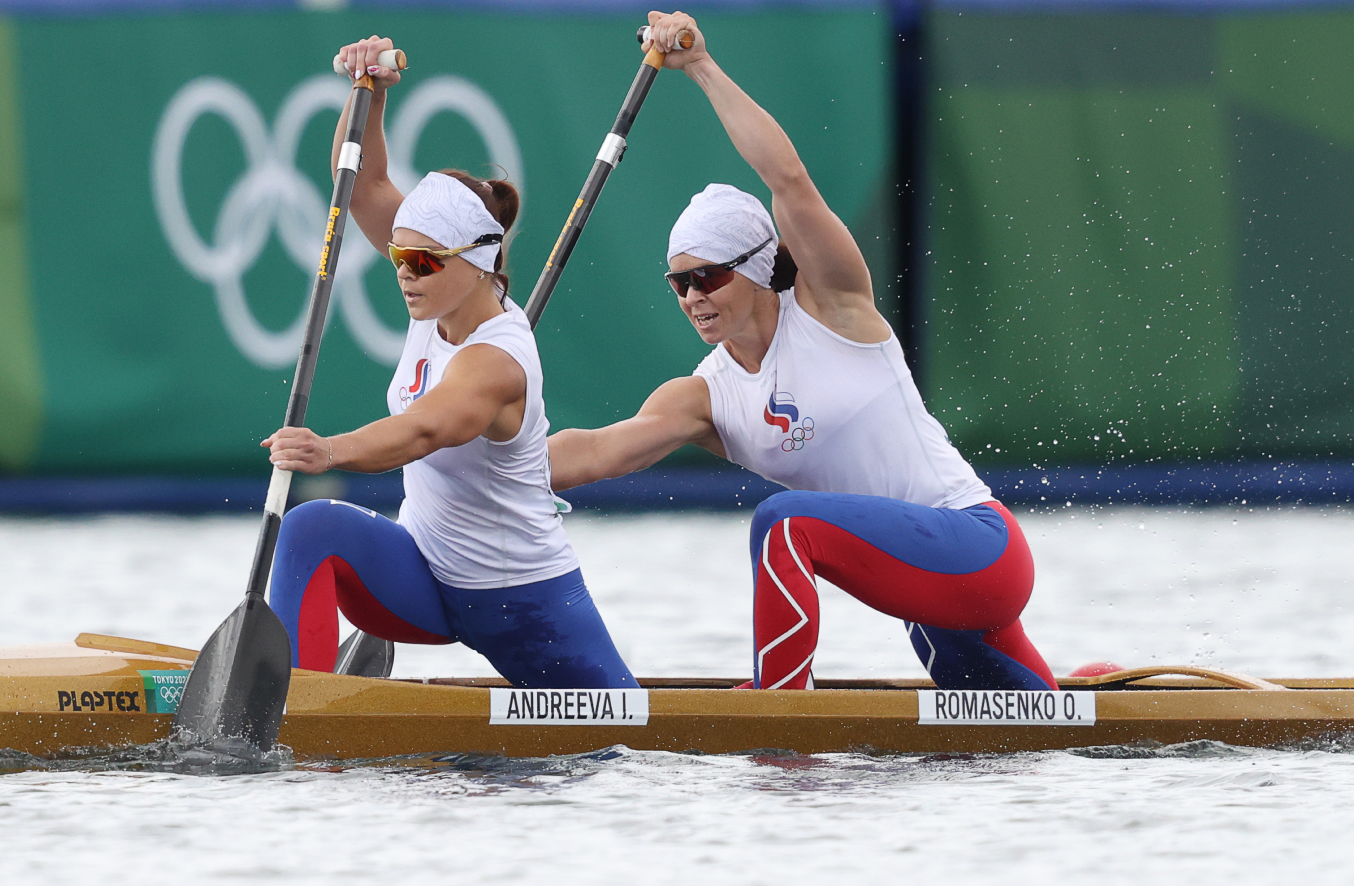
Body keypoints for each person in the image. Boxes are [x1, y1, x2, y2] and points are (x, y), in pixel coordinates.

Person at [548, 9, 1055, 692]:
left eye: (709, 276)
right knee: (1040, 731)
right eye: (678, 283)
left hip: (978, 551)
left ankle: (780, 713)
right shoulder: (704, 396)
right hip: (929, 603)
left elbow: (787, 179)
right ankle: (1090, 690)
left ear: (757, 267)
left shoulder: (835, 309)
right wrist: (467, 455)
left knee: (785, 525)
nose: (693, 296)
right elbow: (592, 453)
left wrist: (699, 65)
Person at [257, 36, 637, 690]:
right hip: (426, 579)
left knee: (620, 737)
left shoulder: (497, 360)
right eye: (399, 258)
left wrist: (328, 452)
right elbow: (364, 181)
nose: (404, 274)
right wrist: (369, 93)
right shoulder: (435, 287)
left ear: (479, 258)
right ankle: (296, 705)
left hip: (522, 602)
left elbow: (425, 429)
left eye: (423, 262)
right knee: (311, 527)